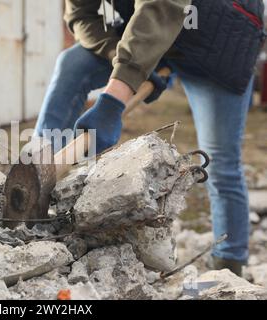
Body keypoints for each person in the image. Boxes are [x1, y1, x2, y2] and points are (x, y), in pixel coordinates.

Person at [34, 0, 266, 276]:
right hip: (147, 29)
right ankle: (37, 175)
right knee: (72, 63)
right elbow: (81, 16)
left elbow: (162, 5)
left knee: (220, 161)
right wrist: (119, 59)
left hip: (218, 35)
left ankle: (229, 266)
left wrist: (111, 103)